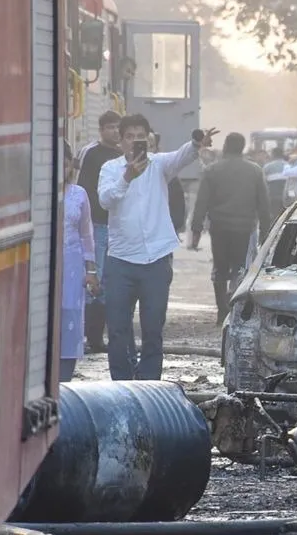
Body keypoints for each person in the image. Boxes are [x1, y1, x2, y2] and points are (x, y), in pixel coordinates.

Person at [98, 114, 218, 380]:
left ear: (148, 139)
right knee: (117, 329)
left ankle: (150, 383)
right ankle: (122, 382)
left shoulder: (159, 164)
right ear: (121, 141)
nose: (135, 141)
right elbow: (106, 200)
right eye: (130, 137)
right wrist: (127, 177)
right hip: (121, 259)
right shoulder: (110, 169)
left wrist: (197, 143)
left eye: (140, 136)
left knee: (153, 328)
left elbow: (181, 156)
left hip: (156, 260)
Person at [190, 132, 272, 325]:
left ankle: (221, 311)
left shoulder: (212, 170)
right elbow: (264, 205)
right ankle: (235, 308)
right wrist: (265, 233)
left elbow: (201, 203)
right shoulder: (254, 171)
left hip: (219, 227)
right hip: (245, 229)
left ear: (226, 145)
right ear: (242, 147)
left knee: (219, 268)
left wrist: (196, 230)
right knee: (240, 268)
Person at [75, 110, 123, 352]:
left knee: (108, 282)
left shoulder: (123, 155)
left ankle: (96, 338)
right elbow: (81, 188)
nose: (114, 131)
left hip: (116, 227)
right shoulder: (91, 153)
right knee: (93, 278)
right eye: (110, 127)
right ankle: (84, 336)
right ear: (101, 130)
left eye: (117, 127)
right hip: (95, 225)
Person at [60, 142, 99, 381]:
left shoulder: (79, 194)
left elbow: (87, 235)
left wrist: (91, 271)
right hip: (42, 265)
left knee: (70, 316)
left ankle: (64, 379)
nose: (60, 169)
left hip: (72, 267)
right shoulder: (36, 194)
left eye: (65, 164)